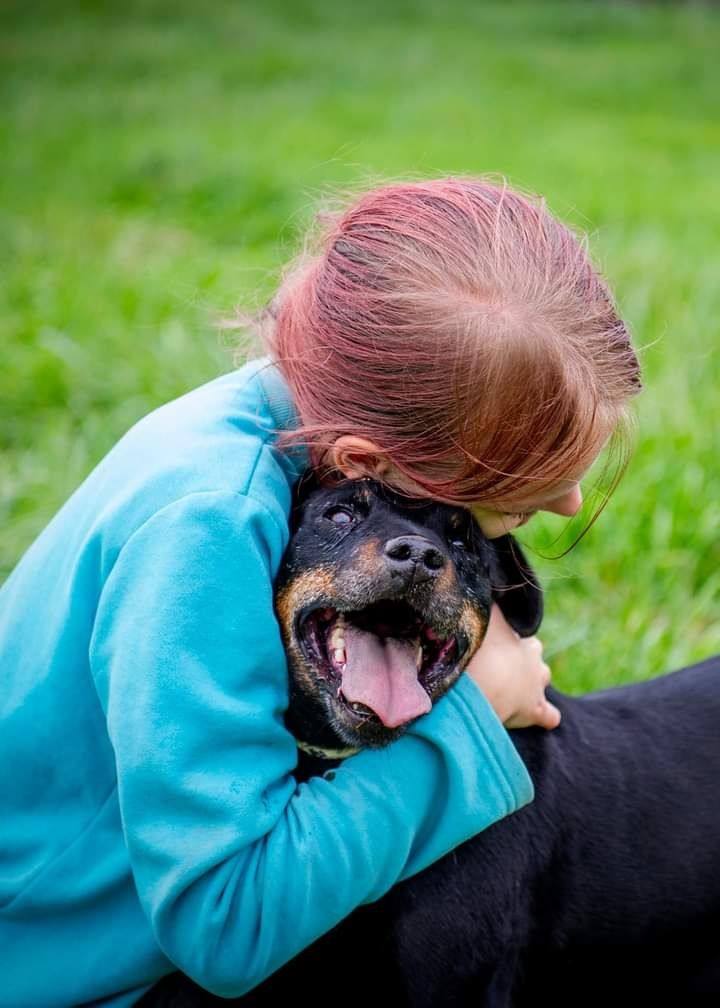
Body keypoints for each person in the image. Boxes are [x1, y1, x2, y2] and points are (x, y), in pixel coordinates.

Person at [0, 177, 641, 1006]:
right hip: (48, 954)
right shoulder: (208, 529)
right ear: (367, 461)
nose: (568, 505)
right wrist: (469, 724)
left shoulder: (281, 418)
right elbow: (224, 924)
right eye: (520, 486)